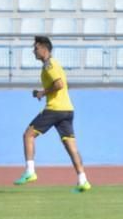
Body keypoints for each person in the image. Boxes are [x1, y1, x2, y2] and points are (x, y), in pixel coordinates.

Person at [14, 36, 91, 192]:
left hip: (55, 109)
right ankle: (83, 180)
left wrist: (42, 92)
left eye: (35, 48)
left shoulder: (50, 64)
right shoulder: (50, 65)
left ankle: (30, 171)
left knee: (28, 135)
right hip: (67, 110)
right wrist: (41, 93)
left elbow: (59, 84)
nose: (33, 51)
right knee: (71, 148)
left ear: (44, 49)